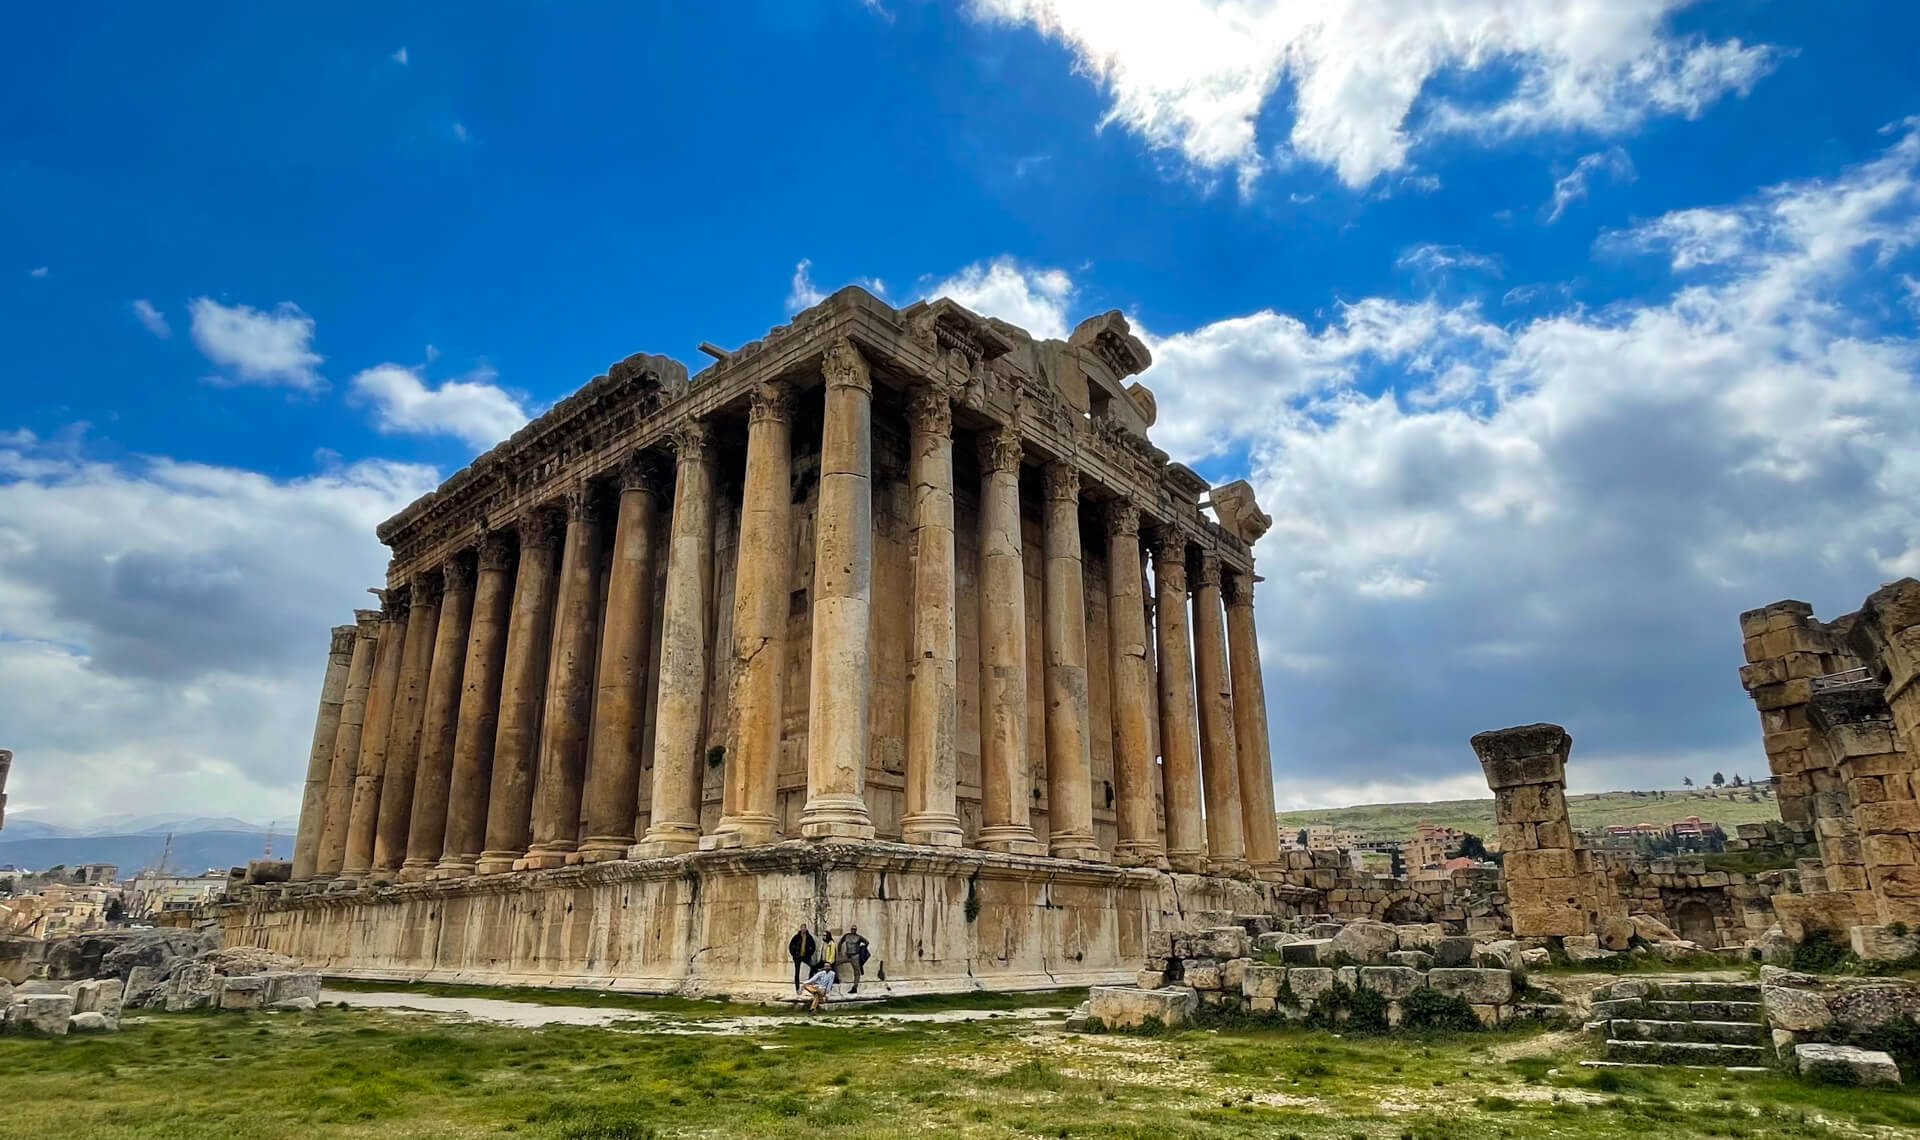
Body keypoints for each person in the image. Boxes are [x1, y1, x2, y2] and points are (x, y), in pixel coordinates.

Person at [835, 926, 870, 994]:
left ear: (856, 930)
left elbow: (867, 942)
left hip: (855, 956)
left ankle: (855, 987)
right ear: (851, 929)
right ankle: (835, 978)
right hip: (847, 955)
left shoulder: (859, 937)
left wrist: (862, 949)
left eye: (854, 929)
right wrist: (839, 952)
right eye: (852, 929)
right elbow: (840, 942)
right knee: (835, 963)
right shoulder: (847, 936)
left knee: (857, 971)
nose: (853, 930)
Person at [787, 925, 817, 993]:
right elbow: (790, 946)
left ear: (806, 929)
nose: (803, 929)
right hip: (797, 957)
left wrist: (809, 953)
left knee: (813, 966)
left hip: (806, 956)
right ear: (800, 929)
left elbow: (813, 946)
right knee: (797, 973)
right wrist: (794, 954)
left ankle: (809, 982)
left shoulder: (809, 937)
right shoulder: (796, 937)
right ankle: (797, 988)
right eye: (802, 928)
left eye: (804, 928)